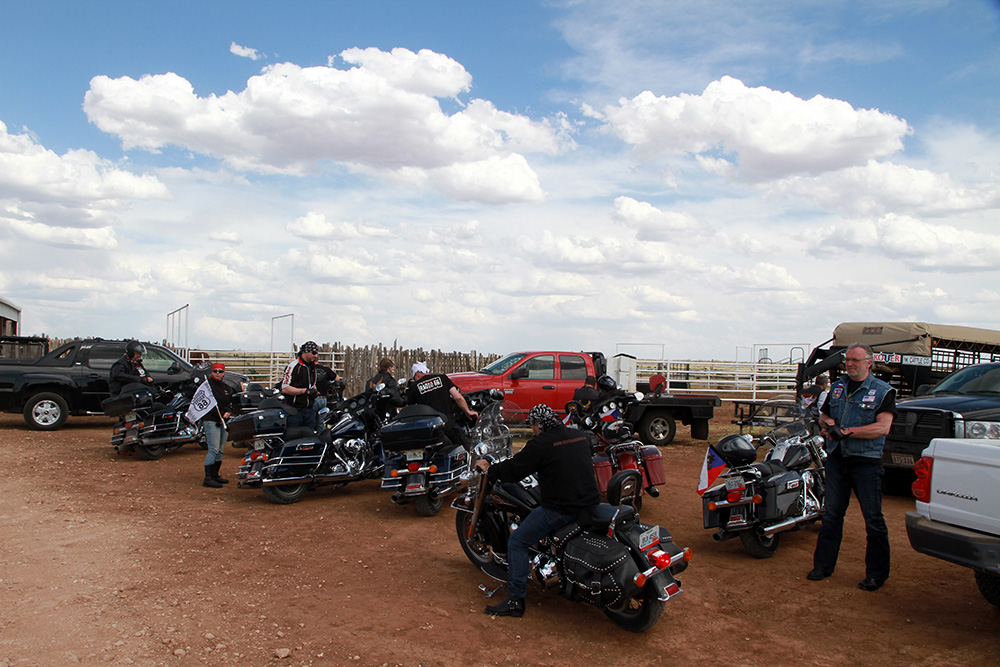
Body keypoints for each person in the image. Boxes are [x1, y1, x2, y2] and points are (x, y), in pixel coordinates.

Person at [474, 404, 601, 617]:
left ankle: (515, 600)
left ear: (538, 425)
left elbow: (514, 470)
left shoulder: (541, 443)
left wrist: (491, 469)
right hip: (590, 503)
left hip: (562, 509)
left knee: (517, 541)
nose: (532, 430)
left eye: (532, 426)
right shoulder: (580, 436)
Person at [808, 344, 896, 592]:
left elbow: (883, 427)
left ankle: (877, 575)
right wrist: (830, 423)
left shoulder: (883, 392)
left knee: (873, 518)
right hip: (837, 460)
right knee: (832, 515)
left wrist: (847, 432)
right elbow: (823, 415)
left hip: (866, 462)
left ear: (869, 362)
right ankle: (823, 566)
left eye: (855, 360)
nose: (849, 364)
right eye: (847, 360)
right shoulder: (837, 388)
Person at [406, 361, 478, 447]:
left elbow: (411, 410)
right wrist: (468, 411)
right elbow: (458, 397)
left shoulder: (413, 387)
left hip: (430, 427)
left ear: (417, 374)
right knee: (463, 447)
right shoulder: (442, 378)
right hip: (448, 422)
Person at [199, 362, 234, 488]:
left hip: (223, 421)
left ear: (224, 373)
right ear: (211, 372)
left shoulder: (227, 388)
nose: (218, 373)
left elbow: (230, 403)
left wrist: (228, 411)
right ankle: (208, 478)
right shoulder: (206, 386)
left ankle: (215, 474)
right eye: (215, 371)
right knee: (213, 449)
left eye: (220, 371)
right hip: (211, 420)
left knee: (220, 450)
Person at [281, 341, 320, 431]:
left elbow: (312, 384)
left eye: (317, 353)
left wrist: (314, 391)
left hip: (309, 409)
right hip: (295, 410)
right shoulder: (294, 366)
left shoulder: (312, 366)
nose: (316, 356)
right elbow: (285, 388)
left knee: (309, 435)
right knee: (295, 435)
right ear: (306, 352)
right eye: (314, 353)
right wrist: (305, 391)